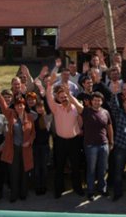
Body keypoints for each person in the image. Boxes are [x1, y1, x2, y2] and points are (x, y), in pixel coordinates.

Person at [0, 73, 36, 203]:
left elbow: (33, 133)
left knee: (24, 171)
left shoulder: (29, 117)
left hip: (25, 149)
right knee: (13, 172)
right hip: (13, 148)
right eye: (17, 105)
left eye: (21, 105)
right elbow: (2, 103)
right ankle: (14, 194)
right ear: (15, 106)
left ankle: (23, 193)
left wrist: (29, 141)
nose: (20, 107)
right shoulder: (11, 114)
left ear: (24, 105)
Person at [45, 70, 83, 198]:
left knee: (75, 166)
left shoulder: (75, 107)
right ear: (58, 99)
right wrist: (50, 84)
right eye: (61, 97)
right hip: (60, 141)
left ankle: (77, 188)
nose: (64, 98)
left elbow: (81, 109)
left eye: (65, 96)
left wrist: (70, 95)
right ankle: (58, 190)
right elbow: (48, 96)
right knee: (59, 167)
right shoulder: (56, 108)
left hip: (74, 141)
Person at [73, 90, 113, 200]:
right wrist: (68, 93)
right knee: (91, 169)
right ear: (91, 101)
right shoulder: (86, 111)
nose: (97, 102)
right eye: (95, 100)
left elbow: (109, 127)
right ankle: (90, 191)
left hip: (104, 144)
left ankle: (102, 188)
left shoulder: (106, 112)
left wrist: (111, 141)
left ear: (102, 101)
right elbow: (75, 103)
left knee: (103, 168)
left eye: (99, 100)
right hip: (90, 145)